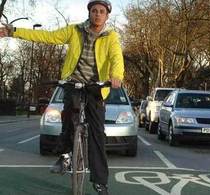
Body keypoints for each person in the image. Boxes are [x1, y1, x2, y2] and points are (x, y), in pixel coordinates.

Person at [0, 0, 124, 194]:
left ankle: (100, 182)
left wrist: (116, 76)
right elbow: (47, 36)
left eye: (101, 12)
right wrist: (14, 31)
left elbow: (117, 57)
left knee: (97, 134)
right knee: (69, 117)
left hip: (96, 88)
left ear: (107, 16)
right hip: (73, 83)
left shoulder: (111, 36)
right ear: (89, 13)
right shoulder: (74, 30)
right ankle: (66, 155)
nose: (97, 14)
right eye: (94, 11)